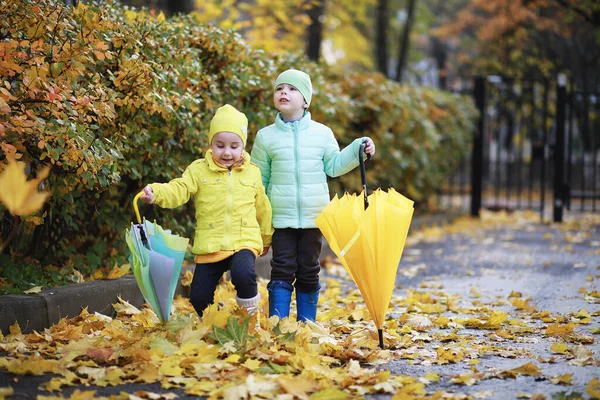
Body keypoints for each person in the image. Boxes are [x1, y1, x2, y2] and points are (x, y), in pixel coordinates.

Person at [250, 69, 375, 323]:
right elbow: (257, 182)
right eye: (279, 88)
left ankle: (307, 325)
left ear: (305, 100)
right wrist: (257, 221)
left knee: (309, 270)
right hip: (280, 218)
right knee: (281, 269)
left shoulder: (322, 133)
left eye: (292, 88)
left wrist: (358, 149)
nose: (284, 92)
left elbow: (334, 165)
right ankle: (279, 325)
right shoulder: (266, 137)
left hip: (313, 217)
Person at [140, 104, 273, 318]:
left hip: (243, 240)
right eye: (220, 145)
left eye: (234, 146)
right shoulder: (198, 170)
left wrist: (266, 238)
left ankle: (250, 317)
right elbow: (179, 188)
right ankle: (215, 318)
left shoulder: (252, 173)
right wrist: (156, 192)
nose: (227, 152)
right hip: (211, 242)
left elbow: (263, 208)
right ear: (211, 144)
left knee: (244, 274)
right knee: (199, 297)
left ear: (243, 147)